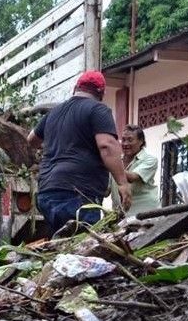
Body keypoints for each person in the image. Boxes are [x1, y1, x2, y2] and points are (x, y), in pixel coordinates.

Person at [27, 70, 131, 235]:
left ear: (75, 88)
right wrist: (122, 183)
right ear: (102, 94)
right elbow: (107, 145)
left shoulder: (53, 113)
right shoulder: (98, 110)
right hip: (78, 193)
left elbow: (32, 139)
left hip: (47, 192)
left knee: (63, 246)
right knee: (82, 249)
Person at [111, 125, 159, 215]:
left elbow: (132, 177)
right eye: (123, 140)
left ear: (141, 141)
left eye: (130, 140)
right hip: (120, 217)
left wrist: (110, 163)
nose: (125, 144)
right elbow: (106, 190)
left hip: (145, 215)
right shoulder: (116, 162)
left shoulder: (150, 160)